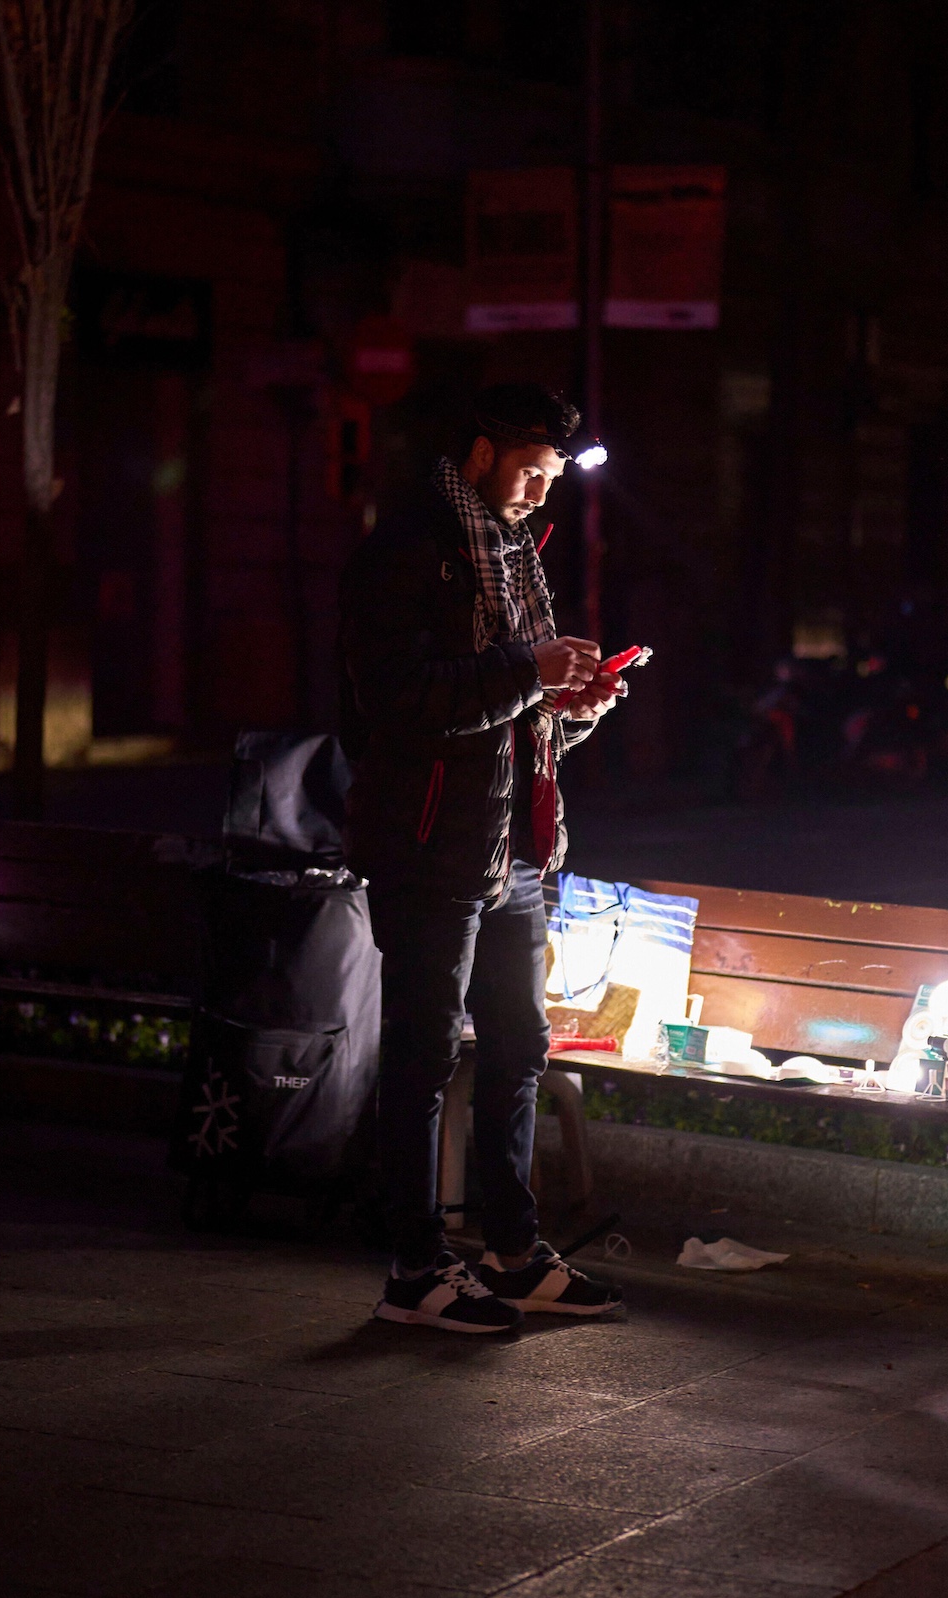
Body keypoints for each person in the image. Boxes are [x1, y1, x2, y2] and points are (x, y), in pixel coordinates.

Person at [342, 383, 628, 1332]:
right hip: (429, 845)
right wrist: (529, 675)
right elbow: (404, 701)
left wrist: (569, 710)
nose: (543, 492)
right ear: (478, 453)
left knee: (518, 1049)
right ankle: (414, 1270)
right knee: (423, 1057)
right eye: (532, 471)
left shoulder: (513, 553)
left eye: (554, 476)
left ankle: (512, 1248)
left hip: (515, 848)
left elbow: (508, 723)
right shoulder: (409, 549)